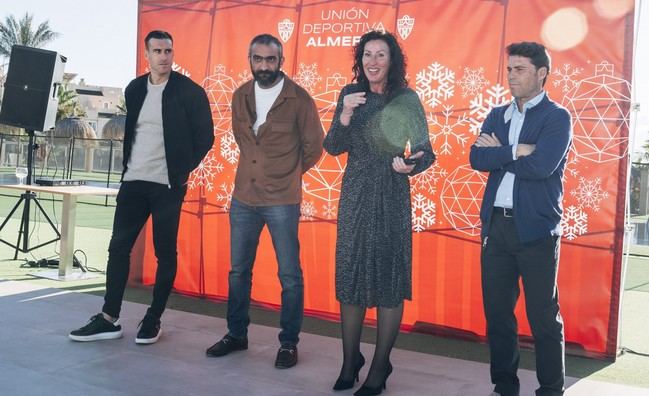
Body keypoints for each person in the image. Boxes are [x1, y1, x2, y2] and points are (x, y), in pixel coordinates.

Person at [69, 30, 214, 345]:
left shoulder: (189, 92)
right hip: (133, 182)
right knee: (118, 248)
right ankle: (109, 318)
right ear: (146, 55)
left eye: (168, 50)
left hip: (166, 187)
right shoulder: (134, 89)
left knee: (165, 252)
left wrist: (179, 171)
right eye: (158, 51)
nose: (164, 56)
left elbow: (206, 138)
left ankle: (153, 319)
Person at [323, 30, 435, 395]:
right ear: (360, 59)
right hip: (355, 194)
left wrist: (411, 166)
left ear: (392, 61)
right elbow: (333, 148)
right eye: (367, 54)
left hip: (390, 195)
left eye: (380, 55)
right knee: (350, 276)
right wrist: (344, 113)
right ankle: (349, 360)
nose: (373, 62)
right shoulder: (348, 94)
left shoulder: (406, 98)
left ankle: (379, 368)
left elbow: (425, 151)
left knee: (388, 281)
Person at [205, 33, 323, 369]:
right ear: (250, 60)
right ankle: (236, 335)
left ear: (281, 62)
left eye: (271, 60)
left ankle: (288, 343)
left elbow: (315, 145)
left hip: (282, 200)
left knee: (289, 275)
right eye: (258, 59)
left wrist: (287, 172)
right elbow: (242, 140)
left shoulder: (299, 99)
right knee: (238, 273)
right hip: (244, 197)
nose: (264, 66)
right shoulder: (240, 95)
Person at [469, 41, 571, 396]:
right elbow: (476, 159)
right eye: (509, 69)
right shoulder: (498, 114)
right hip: (496, 229)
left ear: (542, 74)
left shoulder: (557, 117)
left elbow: (542, 167)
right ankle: (504, 386)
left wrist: (497, 153)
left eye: (520, 69)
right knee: (498, 315)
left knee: (543, 318)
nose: (511, 75)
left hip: (537, 231)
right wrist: (515, 150)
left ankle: (551, 389)